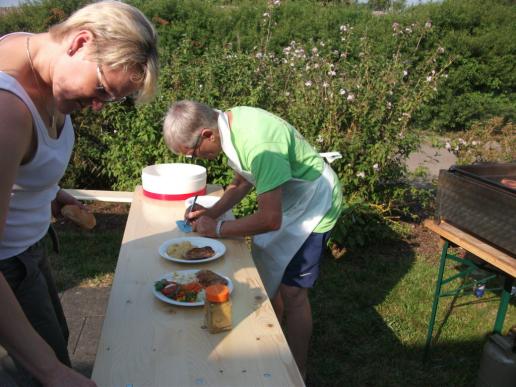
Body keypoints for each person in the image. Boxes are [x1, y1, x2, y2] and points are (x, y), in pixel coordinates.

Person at [0, 1, 158, 385]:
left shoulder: (46, 65)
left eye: (111, 99)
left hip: (30, 250)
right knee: (39, 369)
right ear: (80, 42)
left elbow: (20, 166)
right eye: (102, 90)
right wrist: (50, 372)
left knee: (58, 340)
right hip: (8, 266)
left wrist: (49, 193)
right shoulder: (7, 110)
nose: (98, 106)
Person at [162, 100, 342, 379]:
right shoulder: (230, 125)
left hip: (314, 203)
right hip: (290, 203)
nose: (197, 158)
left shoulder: (259, 146)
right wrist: (211, 213)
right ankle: (275, 341)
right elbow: (242, 181)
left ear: (207, 135)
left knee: (293, 292)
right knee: (273, 276)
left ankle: (296, 373)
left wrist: (217, 229)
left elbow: (270, 220)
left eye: (193, 152)